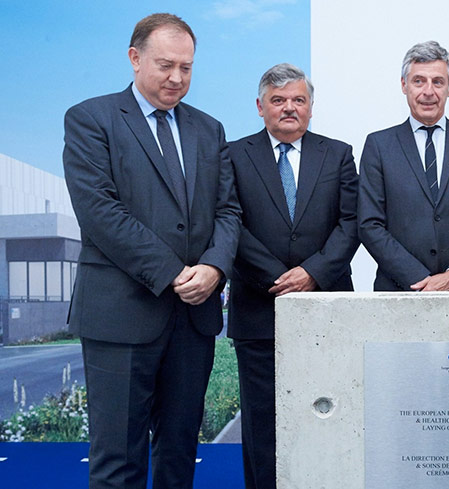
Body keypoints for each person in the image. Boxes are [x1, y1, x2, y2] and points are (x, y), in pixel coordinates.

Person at [62, 13, 241, 489]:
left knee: (180, 455)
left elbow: (228, 211)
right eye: (166, 65)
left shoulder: (209, 129)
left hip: (193, 319)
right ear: (134, 57)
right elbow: (100, 213)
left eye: (186, 67)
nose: (177, 78)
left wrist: (214, 267)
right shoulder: (90, 119)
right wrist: (176, 272)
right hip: (121, 316)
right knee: (118, 461)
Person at [228, 63, 359, 489]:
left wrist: (312, 273)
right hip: (258, 308)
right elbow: (229, 223)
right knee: (263, 425)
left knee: (332, 415)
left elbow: (351, 223)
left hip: (328, 308)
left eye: (298, 100)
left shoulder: (338, 154)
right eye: (278, 100)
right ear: (260, 107)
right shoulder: (232, 155)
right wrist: (280, 277)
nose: (289, 108)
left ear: (311, 107)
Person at [358, 41, 449, 291]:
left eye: (437, 82)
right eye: (418, 81)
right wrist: (418, 278)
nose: (428, 91)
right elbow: (369, 224)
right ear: (404, 85)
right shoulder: (378, 145)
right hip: (398, 292)